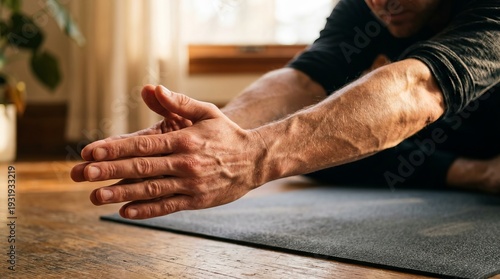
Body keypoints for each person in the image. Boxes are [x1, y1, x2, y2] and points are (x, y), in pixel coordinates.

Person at [71, 0, 500, 219]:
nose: (380, 1)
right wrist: (209, 137)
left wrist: (252, 158)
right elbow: (303, 78)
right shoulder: (367, 6)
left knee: (293, 145)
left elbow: (419, 88)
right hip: (446, 140)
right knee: (315, 142)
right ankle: (473, 173)